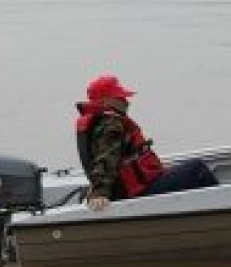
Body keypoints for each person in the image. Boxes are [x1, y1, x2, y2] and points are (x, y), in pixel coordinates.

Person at [76, 74, 218, 211]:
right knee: (198, 169)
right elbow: (106, 159)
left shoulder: (100, 123)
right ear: (105, 101)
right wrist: (100, 193)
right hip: (137, 192)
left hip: (133, 187)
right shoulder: (112, 124)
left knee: (181, 172)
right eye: (121, 97)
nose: (127, 101)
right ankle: (220, 213)